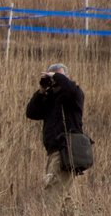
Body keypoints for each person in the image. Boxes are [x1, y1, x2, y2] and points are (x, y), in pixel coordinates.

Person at [25, 63, 86, 191]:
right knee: (64, 198)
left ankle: (51, 212)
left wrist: (56, 75)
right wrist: (41, 91)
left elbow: (69, 88)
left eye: (59, 77)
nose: (55, 80)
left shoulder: (74, 94)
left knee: (52, 193)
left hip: (66, 149)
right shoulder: (50, 99)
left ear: (66, 78)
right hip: (54, 152)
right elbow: (31, 113)